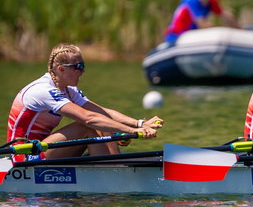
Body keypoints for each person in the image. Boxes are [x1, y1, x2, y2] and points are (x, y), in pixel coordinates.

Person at [6, 44, 162, 161]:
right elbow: (88, 118)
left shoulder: (68, 90)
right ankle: (111, 173)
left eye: (83, 66)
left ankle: (117, 166)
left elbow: (102, 112)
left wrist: (140, 124)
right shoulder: (43, 90)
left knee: (102, 121)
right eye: (78, 67)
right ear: (60, 69)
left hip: (43, 149)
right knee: (87, 125)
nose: (82, 71)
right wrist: (131, 131)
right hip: (23, 155)